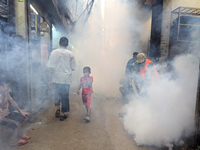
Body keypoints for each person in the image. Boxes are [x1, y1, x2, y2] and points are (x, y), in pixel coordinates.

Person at [47, 37, 76, 121]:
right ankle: (63, 114)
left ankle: (58, 109)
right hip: (66, 79)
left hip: (56, 78)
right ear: (67, 44)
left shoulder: (53, 53)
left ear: (59, 43)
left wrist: (49, 80)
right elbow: (73, 68)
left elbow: (51, 68)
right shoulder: (70, 54)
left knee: (57, 94)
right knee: (65, 96)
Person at [0, 77, 31, 146]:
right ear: (1, 86)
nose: (8, 87)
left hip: (6, 114)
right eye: (7, 86)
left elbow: (13, 102)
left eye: (9, 86)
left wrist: (21, 112)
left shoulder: (5, 93)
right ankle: (12, 141)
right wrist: (5, 95)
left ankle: (18, 135)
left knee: (24, 117)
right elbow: (4, 106)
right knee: (16, 123)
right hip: (1, 117)